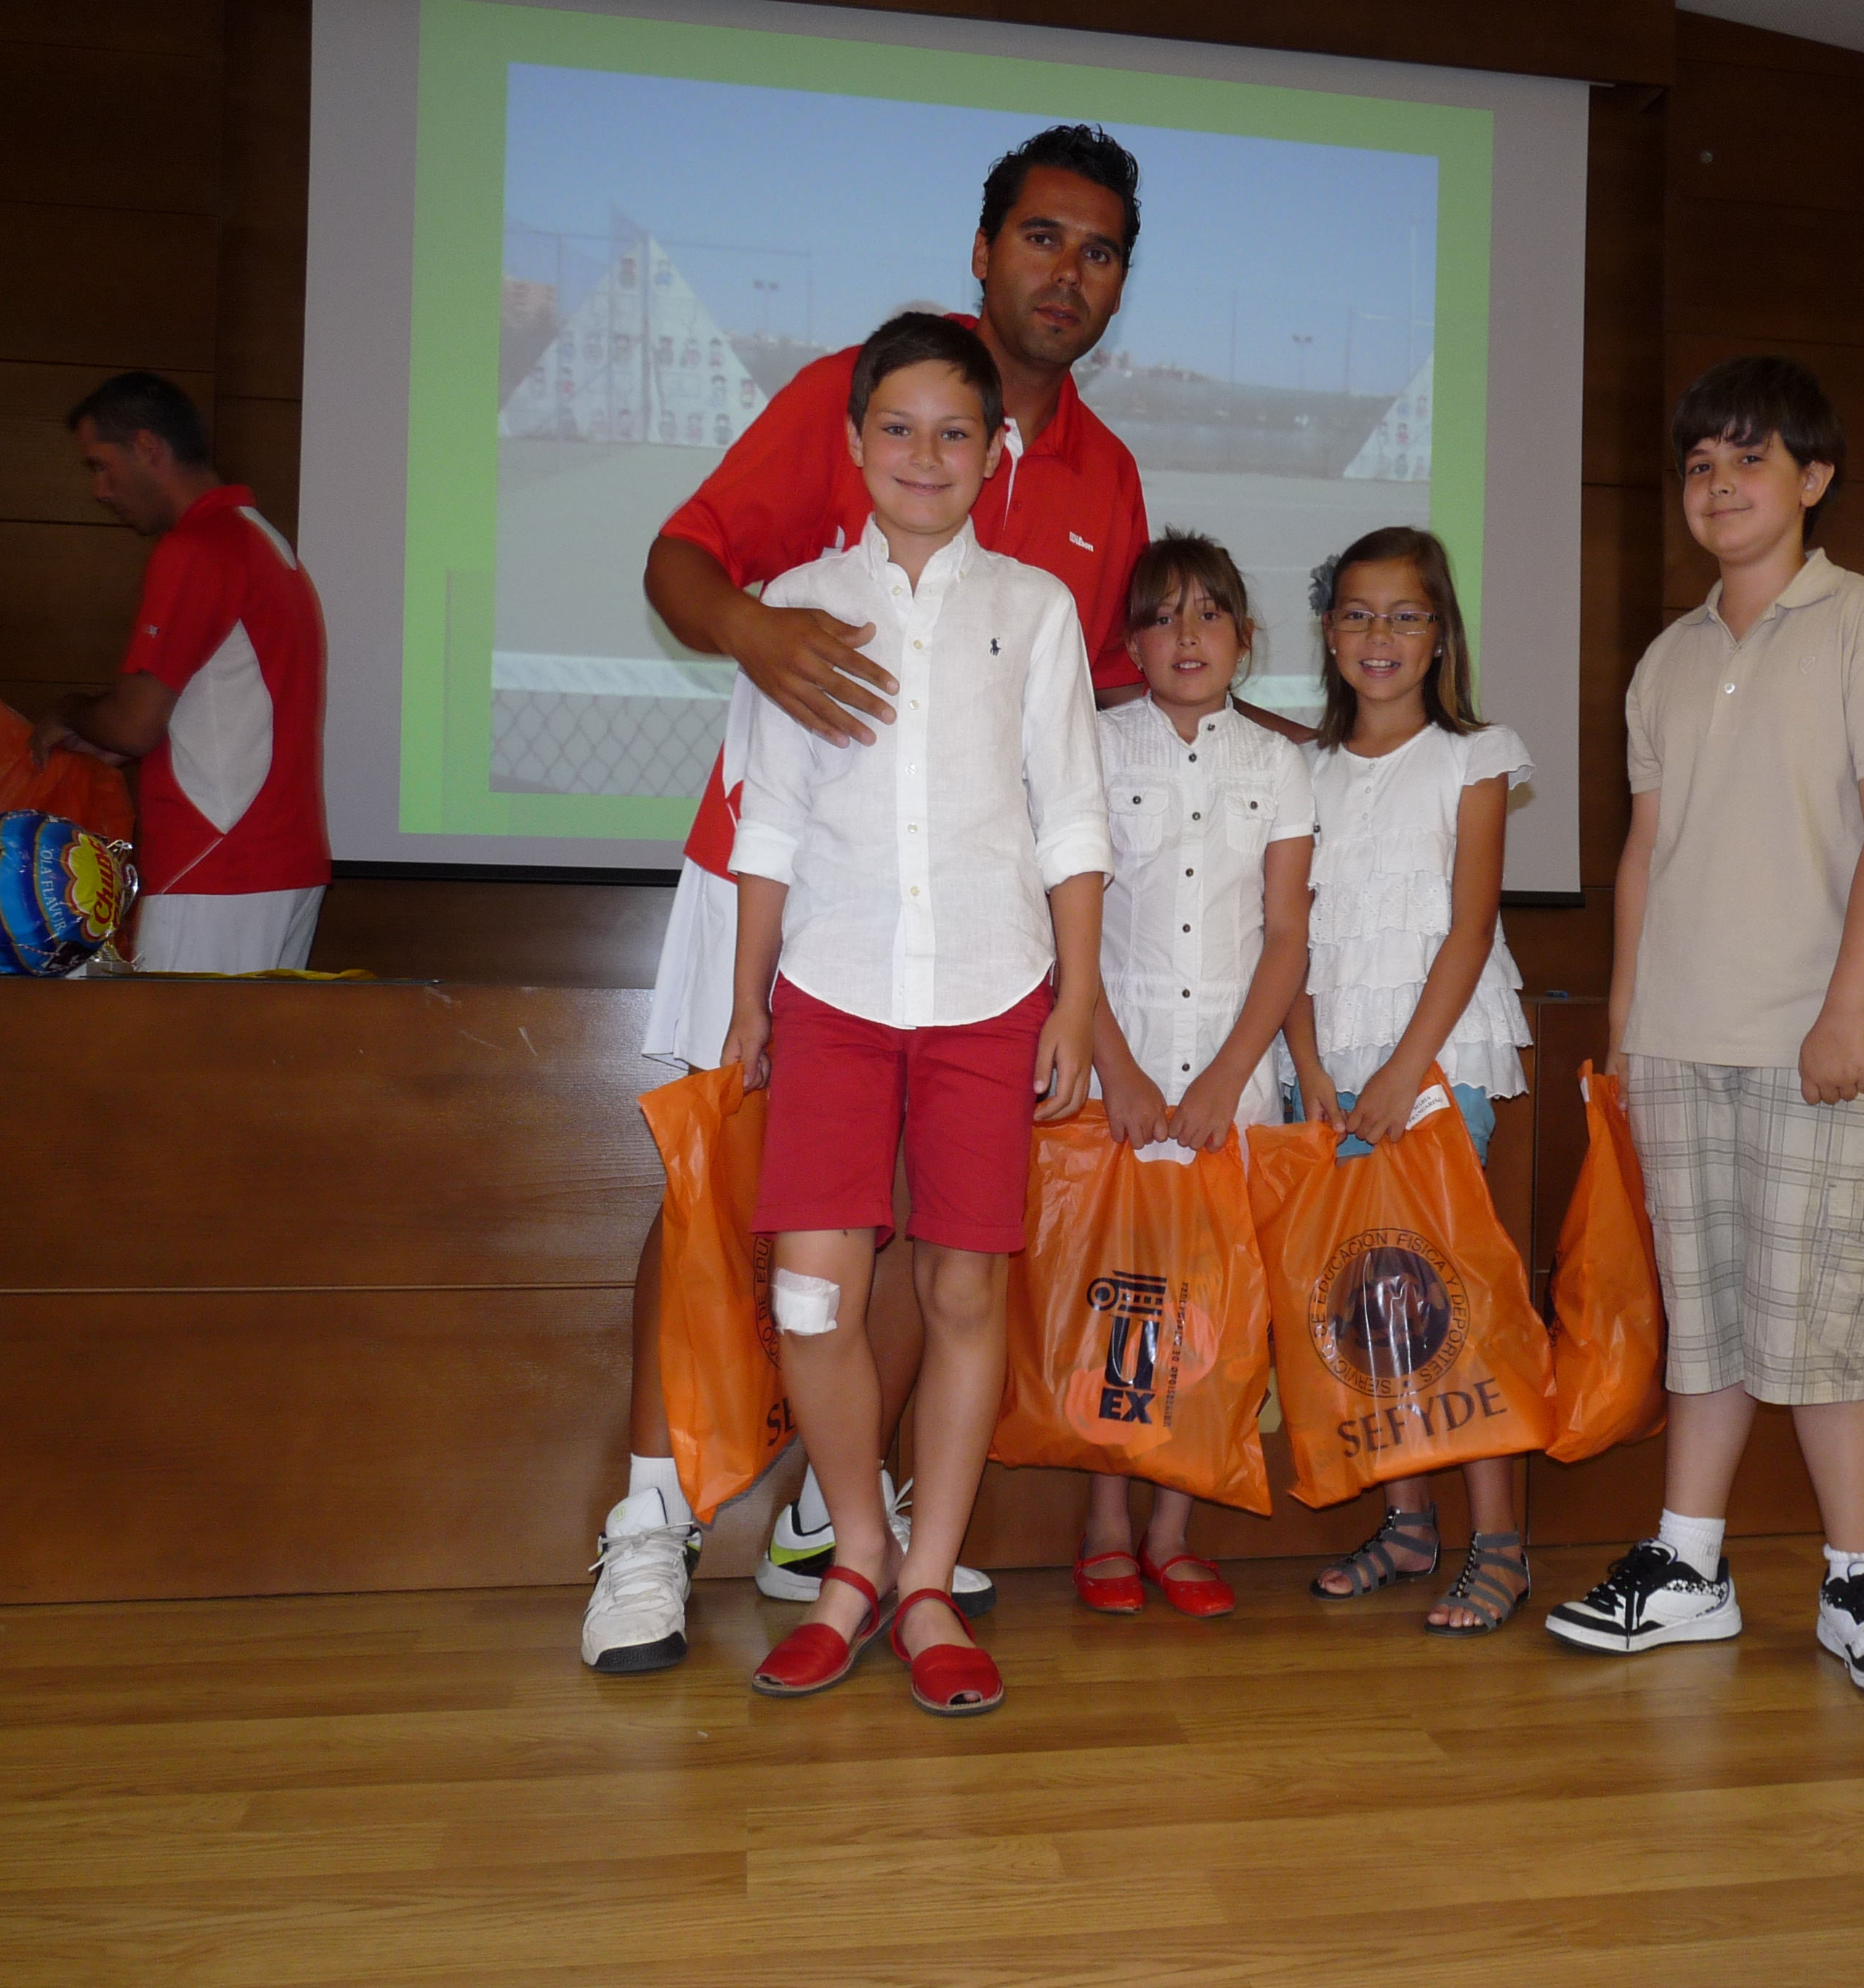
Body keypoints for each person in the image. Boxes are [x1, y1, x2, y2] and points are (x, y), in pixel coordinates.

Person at [584, 124, 1152, 1674]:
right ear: (983, 251)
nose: (1067, 270)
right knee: (714, 1192)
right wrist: (754, 636)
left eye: (1099, 250)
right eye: (1040, 236)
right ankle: (649, 1519)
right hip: (787, 891)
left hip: (976, 933)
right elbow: (683, 560)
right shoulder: (857, 386)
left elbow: (1090, 714)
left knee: (932, 1245)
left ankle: (840, 1530)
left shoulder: (1105, 479)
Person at [1541, 356, 1864, 1698]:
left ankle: (1857, 1580)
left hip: (1816, 1045)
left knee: (1827, 1324)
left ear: (1812, 478)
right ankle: (1687, 1567)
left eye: (1748, 460)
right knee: (1706, 1323)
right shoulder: (1667, 658)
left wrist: (1846, 1015)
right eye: (1700, 467)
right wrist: (1626, 1023)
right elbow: (1645, 851)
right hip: (1680, 1041)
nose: (1717, 487)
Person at [722, 313, 1107, 1716]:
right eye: (897, 427)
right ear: (854, 440)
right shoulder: (797, 605)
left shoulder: (1036, 609)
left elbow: (1071, 818)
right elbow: (770, 819)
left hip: (989, 990)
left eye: (955, 431)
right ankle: (856, 1558)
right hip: (830, 988)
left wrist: (1076, 1000)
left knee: (960, 1290)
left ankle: (929, 1582)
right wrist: (749, 994)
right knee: (810, 1295)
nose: (925, 455)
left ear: (995, 448)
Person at [1282, 525, 1538, 1636]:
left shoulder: (1472, 758)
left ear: (1440, 637)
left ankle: (1502, 1544)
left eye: (1404, 615)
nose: (1378, 635)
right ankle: (1408, 1525)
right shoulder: (1302, 773)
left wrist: (1402, 1074)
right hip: (1331, 1072)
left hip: (1436, 1067)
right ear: (1328, 632)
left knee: (1447, 1302)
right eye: (1356, 614)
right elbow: (1285, 938)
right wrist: (1309, 1067)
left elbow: (1470, 928)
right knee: (1364, 1303)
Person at [1073, 531, 1314, 1621]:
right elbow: (1064, 923)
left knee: (1208, 1317)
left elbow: (1286, 938)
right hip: (1113, 1075)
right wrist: (1115, 1068)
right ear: (1130, 644)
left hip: (1231, 1085)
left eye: (1209, 614)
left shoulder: (1279, 765)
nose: (1187, 636)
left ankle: (1173, 1528)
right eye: (1163, 616)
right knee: (1112, 1305)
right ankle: (1105, 1525)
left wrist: (1228, 1077)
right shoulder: (1089, 747)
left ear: (1244, 641)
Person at [29, 373, 329, 972]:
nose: (99, 490)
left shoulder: (199, 546)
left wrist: (70, 711)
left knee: (177, 1039)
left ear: (146, 447)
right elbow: (219, 707)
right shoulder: (263, 541)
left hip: (217, 867)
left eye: (101, 465)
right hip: (275, 864)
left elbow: (134, 724)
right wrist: (111, 734)